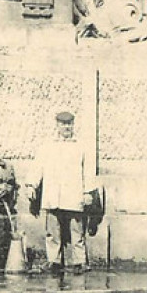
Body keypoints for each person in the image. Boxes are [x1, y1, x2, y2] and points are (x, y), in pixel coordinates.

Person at [28, 110, 99, 275]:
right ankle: (54, 261)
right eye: (63, 124)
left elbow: (88, 171)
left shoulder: (81, 146)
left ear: (73, 125)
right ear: (57, 125)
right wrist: (32, 185)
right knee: (52, 230)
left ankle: (79, 261)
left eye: (69, 124)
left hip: (74, 194)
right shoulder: (47, 146)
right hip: (53, 194)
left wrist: (88, 192)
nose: (66, 127)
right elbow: (38, 166)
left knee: (77, 230)